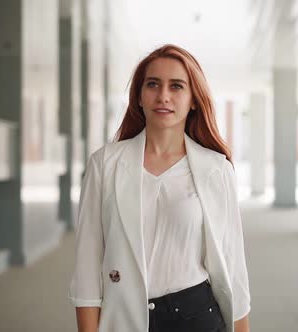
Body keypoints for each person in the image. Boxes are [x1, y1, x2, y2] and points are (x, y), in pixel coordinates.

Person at [69, 44, 251, 332]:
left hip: (198, 317)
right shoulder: (105, 164)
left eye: (176, 86)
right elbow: (87, 266)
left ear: (193, 99)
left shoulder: (216, 169)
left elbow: (234, 266)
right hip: (125, 317)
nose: (163, 96)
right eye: (153, 84)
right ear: (139, 97)